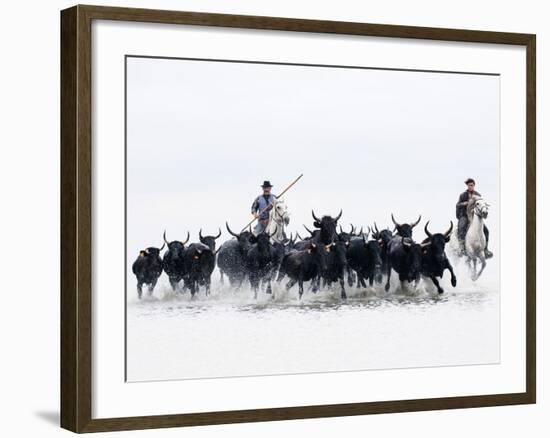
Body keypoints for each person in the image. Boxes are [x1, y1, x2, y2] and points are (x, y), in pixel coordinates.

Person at [456, 178, 492, 258]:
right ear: (467, 186)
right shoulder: (463, 195)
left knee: (486, 230)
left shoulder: (478, 195)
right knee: (461, 227)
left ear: (474, 185)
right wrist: (463, 203)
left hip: (475, 216)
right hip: (464, 215)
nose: (470, 186)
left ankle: (485, 249)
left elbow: (481, 205)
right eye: (469, 185)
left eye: (471, 185)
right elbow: (457, 205)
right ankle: (461, 248)